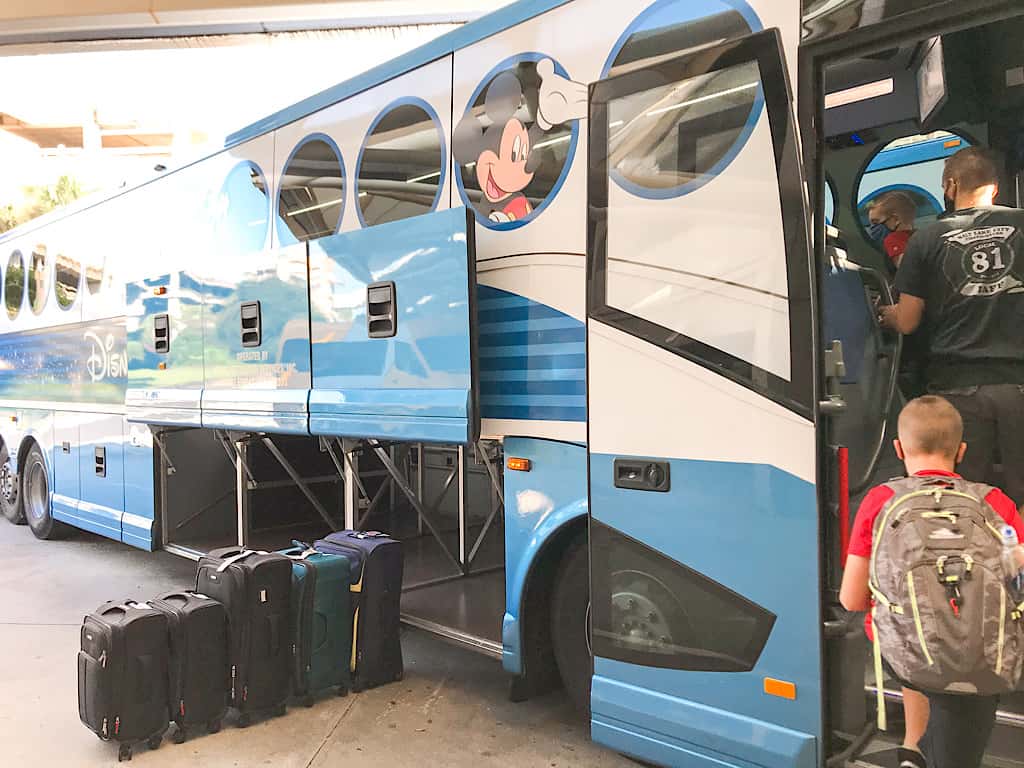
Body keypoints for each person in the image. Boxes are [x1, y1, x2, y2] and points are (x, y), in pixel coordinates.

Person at [840, 395, 1024, 768]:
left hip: (907, 655)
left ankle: (913, 751)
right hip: (981, 657)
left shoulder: (880, 500)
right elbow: (1017, 579)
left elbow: (851, 599)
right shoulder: (997, 502)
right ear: (962, 450)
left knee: (916, 636)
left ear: (897, 448)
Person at [879, 146, 1024, 507]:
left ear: (950, 186)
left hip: (958, 388)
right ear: (995, 188)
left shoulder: (927, 239)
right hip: (1020, 384)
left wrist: (883, 314)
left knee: (968, 497)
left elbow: (909, 321)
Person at [868, 190, 918, 268]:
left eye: (876, 222)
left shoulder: (892, 239)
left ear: (895, 219)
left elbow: (907, 270)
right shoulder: (923, 236)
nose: (872, 227)